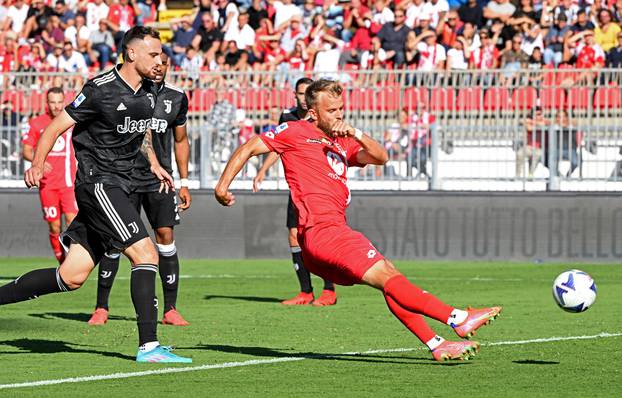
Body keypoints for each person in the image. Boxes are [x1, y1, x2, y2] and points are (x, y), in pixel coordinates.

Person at [215, 79, 502, 362]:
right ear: (314, 113)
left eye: (341, 109)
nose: (339, 115)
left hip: (325, 237)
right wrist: (222, 186)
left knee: (390, 279)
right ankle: (457, 317)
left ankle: (436, 343)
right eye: (332, 111)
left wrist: (356, 133)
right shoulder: (294, 131)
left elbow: (381, 157)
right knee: (390, 278)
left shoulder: (342, 141)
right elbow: (250, 146)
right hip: (323, 233)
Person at [0, 26, 191, 364]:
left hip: (124, 182)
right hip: (99, 183)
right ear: (132, 54)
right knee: (146, 254)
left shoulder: (149, 92)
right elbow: (56, 126)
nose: (160, 60)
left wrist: (155, 163)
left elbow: (139, 131)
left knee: (70, 276)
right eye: (153, 54)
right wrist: (38, 163)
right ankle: (149, 347)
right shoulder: (101, 90)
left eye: (161, 55)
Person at [88, 52, 192, 327]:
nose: (158, 67)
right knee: (115, 240)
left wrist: (184, 181)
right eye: (154, 61)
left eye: (164, 63)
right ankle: (101, 307)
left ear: (169, 67)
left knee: (165, 237)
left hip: (159, 180)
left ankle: (170, 308)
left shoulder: (177, 97)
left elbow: (181, 140)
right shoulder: (130, 92)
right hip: (123, 177)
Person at [253, 77, 337, 307]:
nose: (302, 97)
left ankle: (329, 289)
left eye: (306, 93)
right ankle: (306, 291)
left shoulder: (323, 119)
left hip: (320, 187)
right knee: (293, 235)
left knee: (320, 238)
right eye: (299, 93)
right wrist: (262, 170)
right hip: (297, 187)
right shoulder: (287, 117)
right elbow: (277, 145)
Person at [22, 87, 77, 263]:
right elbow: (26, 150)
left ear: (64, 101)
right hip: (47, 185)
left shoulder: (71, 121)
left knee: (72, 221)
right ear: (46, 103)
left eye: (59, 102)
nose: (56, 106)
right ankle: (62, 262)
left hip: (69, 183)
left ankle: (73, 263)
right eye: (52, 102)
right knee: (54, 226)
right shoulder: (37, 123)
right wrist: (39, 161)